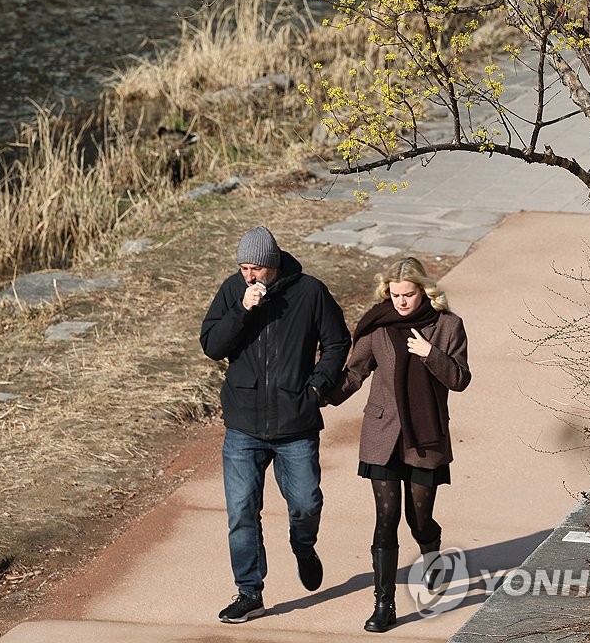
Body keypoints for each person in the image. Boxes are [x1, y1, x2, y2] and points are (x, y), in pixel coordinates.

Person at [200, 225, 350, 624]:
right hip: (243, 425)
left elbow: (337, 342)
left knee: (305, 503)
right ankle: (250, 592)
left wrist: (317, 388)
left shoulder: (310, 292)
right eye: (243, 267)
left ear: (273, 263)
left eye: (255, 268)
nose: (248, 275)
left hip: (295, 422)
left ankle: (303, 546)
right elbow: (213, 346)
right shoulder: (234, 292)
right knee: (242, 512)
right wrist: (241, 310)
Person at [327, 256, 471, 633]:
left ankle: (430, 548)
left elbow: (459, 379)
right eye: (394, 295)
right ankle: (384, 603)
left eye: (408, 295)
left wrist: (430, 354)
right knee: (386, 518)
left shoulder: (448, 326)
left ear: (425, 291)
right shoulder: (379, 325)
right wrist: (319, 394)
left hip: (425, 435)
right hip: (383, 434)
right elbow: (356, 371)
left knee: (418, 518)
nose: (401, 302)